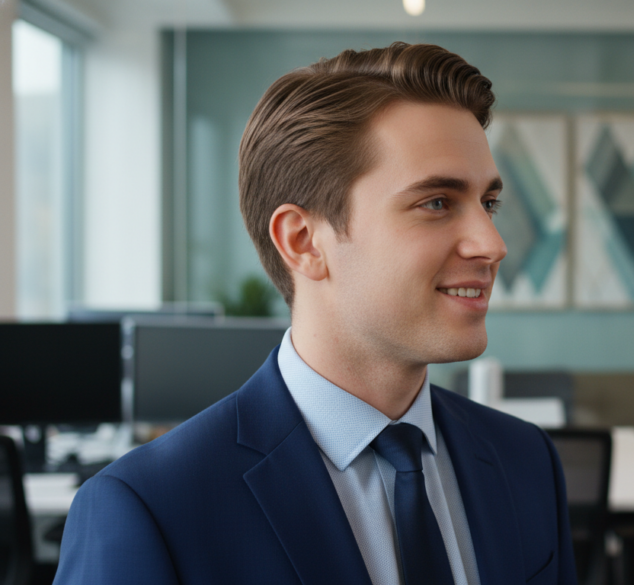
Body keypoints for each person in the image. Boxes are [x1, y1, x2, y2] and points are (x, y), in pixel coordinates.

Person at [54, 42, 576, 585]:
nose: (492, 244)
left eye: (488, 204)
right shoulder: (150, 508)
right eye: (437, 203)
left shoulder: (526, 460)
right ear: (303, 241)